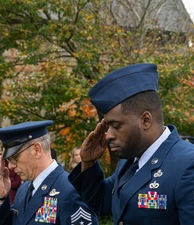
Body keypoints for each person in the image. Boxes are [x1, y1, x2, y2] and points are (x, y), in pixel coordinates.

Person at [68, 63, 194, 225]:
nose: (108, 136)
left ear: (145, 120)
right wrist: (88, 162)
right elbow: (101, 202)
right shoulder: (130, 162)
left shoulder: (187, 164)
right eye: (107, 127)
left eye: (116, 126)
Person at [0, 120, 98, 225]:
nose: (11, 166)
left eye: (14, 158)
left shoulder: (72, 191)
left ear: (36, 150)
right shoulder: (24, 190)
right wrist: (1, 198)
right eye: (8, 160)